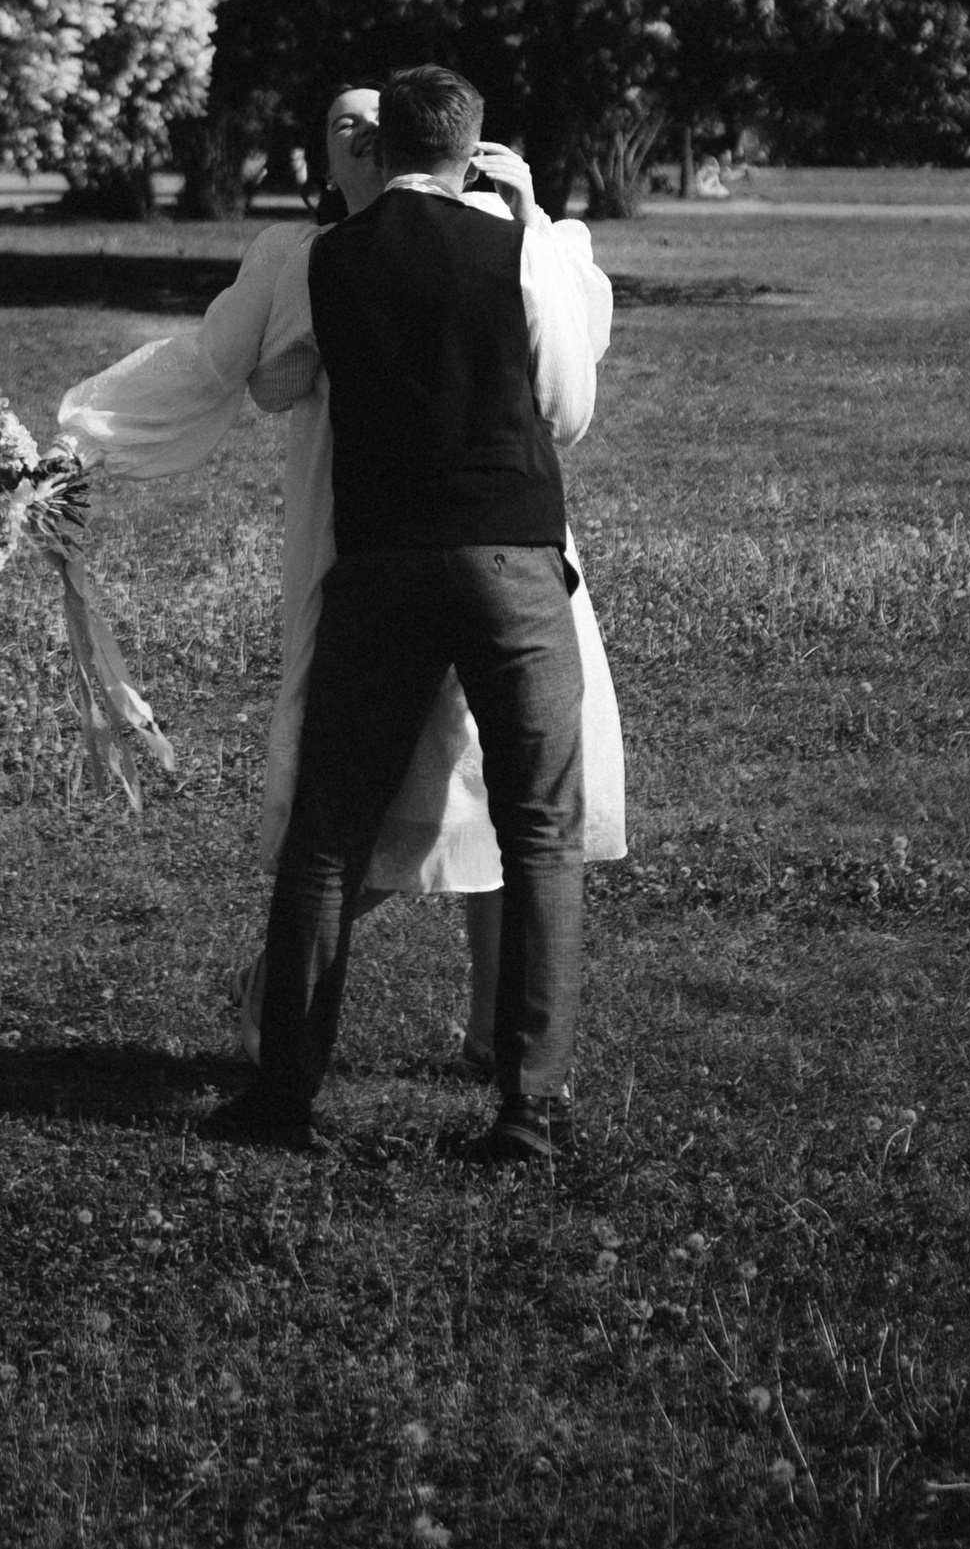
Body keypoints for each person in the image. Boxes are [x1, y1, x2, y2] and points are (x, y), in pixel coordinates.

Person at [57, 78, 621, 1082]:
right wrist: (72, 445)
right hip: (402, 537)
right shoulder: (313, 259)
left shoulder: (475, 245)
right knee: (409, 803)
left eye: (373, 120)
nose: (356, 134)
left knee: (473, 797)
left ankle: (476, 1036)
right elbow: (233, 371)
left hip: (437, 544)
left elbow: (547, 380)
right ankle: (343, 1031)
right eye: (336, 123)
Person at [210, 62, 601, 1167]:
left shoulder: (328, 257)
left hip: (381, 558)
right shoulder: (517, 245)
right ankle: (526, 1107)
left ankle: (283, 1096)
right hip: (510, 559)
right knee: (539, 832)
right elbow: (566, 410)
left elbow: (280, 378)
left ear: (380, 151)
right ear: (472, 149)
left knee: (327, 837)